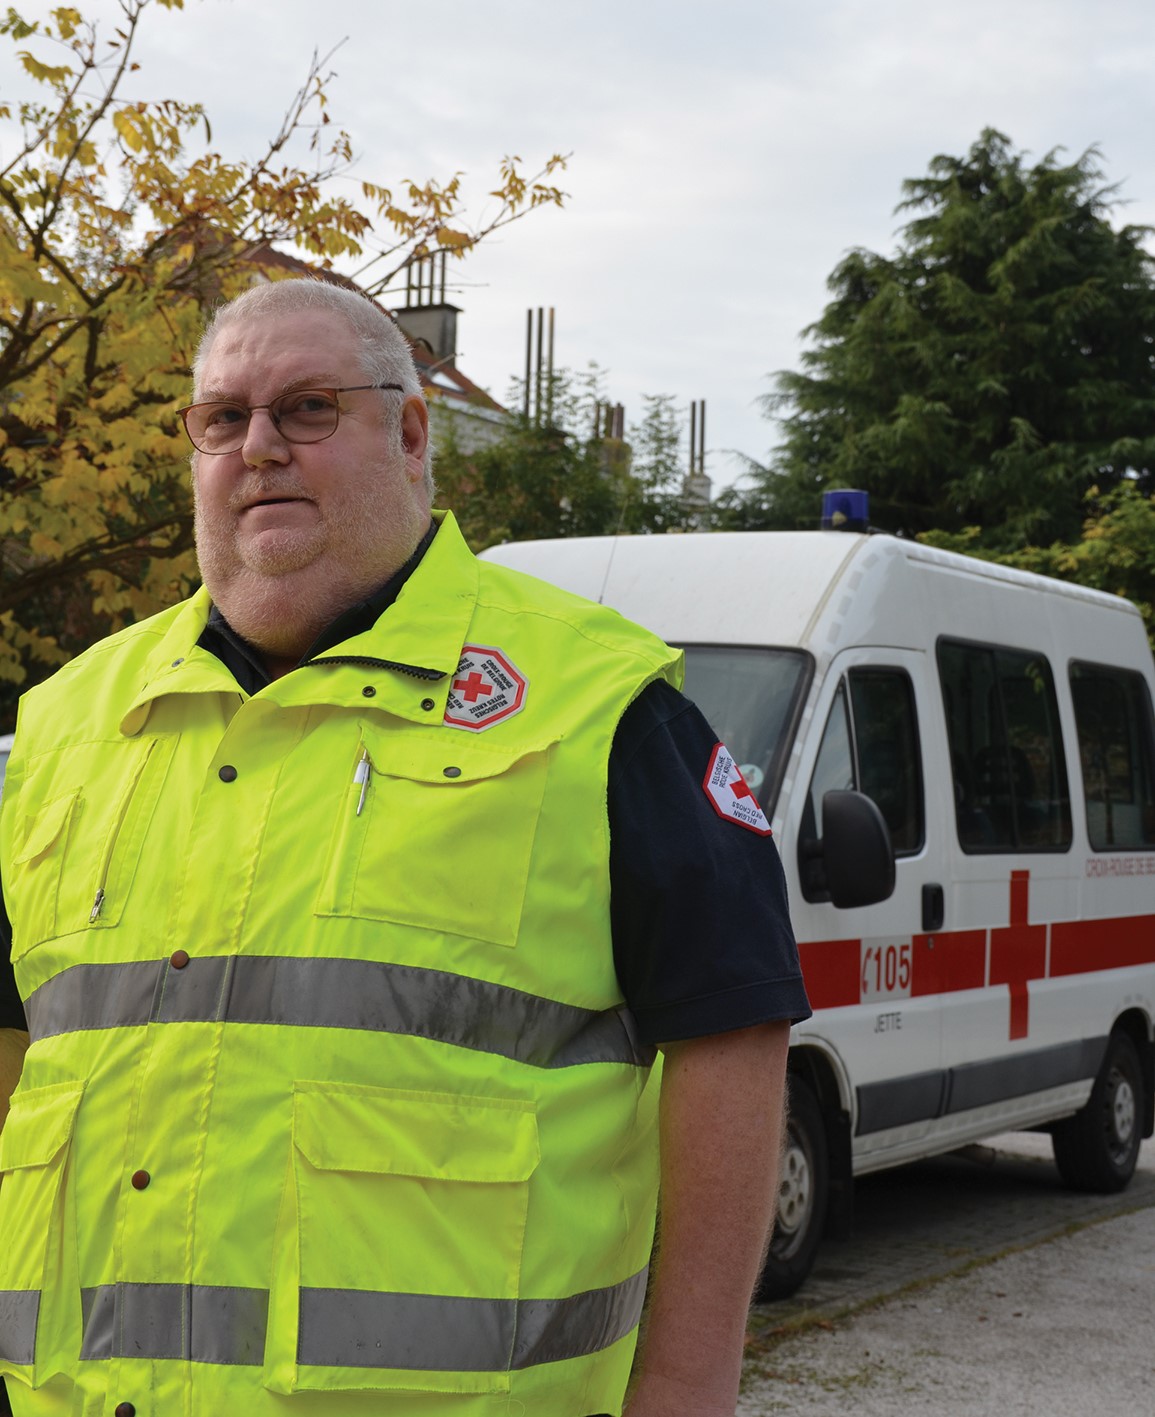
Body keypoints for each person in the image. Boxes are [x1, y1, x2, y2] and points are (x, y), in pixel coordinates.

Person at [0, 277, 809, 1417]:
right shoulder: (68, 721)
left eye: (309, 408)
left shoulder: (597, 703)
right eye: (223, 418)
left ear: (413, 433)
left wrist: (684, 1385)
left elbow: (732, 1034)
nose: (260, 447)